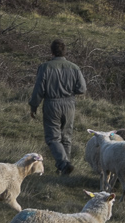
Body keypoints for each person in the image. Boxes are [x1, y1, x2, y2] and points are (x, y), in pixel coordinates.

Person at [29, 39, 87, 175]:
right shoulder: (74, 67)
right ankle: (64, 170)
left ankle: (63, 164)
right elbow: (82, 89)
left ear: (51, 51)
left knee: (53, 138)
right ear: (65, 51)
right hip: (69, 104)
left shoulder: (45, 67)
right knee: (66, 137)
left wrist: (33, 106)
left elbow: (39, 90)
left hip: (52, 103)